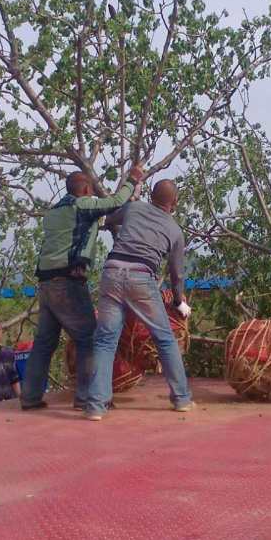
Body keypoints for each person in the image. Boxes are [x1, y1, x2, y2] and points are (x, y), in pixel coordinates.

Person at [20, 166, 144, 411]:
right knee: (88, 339)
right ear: (86, 190)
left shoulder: (53, 213)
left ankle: (30, 397)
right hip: (68, 282)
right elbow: (116, 201)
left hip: (46, 283)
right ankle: (87, 397)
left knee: (44, 342)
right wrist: (132, 180)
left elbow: (89, 225)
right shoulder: (82, 206)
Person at [85, 179, 193, 421]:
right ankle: (182, 399)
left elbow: (110, 219)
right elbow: (177, 275)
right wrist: (178, 302)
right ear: (174, 203)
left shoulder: (134, 208)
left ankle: (95, 406)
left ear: (151, 196)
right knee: (165, 339)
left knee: (105, 341)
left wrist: (131, 200)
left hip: (112, 272)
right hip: (141, 278)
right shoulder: (175, 231)